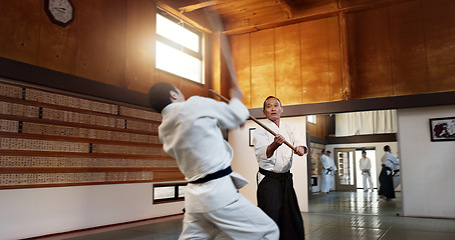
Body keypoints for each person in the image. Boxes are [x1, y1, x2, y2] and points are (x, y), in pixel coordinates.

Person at [148, 82, 279, 240]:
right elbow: (236, 115)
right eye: (179, 91)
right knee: (268, 231)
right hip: (217, 193)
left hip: (194, 198)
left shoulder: (163, 130)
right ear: (173, 95)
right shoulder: (194, 104)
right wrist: (236, 99)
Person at [253, 96, 307, 240]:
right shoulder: (260, 130)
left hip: (285, 178)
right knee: (269, 213)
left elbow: (299, 141)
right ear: (264, 112)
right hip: (269, 180)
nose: (273, 108)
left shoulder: (289, 127)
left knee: (290, 214)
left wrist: (301, 148)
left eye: (276, 105)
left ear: (281, 109)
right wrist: (275, 144)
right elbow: (264, 153)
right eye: (269, 106)